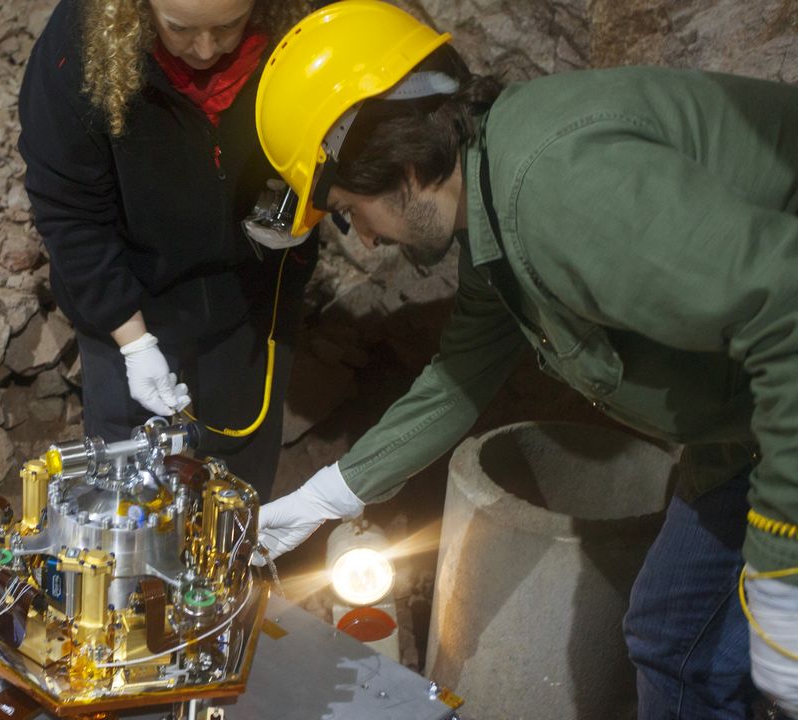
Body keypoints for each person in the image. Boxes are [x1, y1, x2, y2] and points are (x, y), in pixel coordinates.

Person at [250, 1, 798, 717]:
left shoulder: (554, 187)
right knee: (673, 637)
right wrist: (327, 496)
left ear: (402, 163)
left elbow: (785, 309)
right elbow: (459, 375)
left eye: (353, 210)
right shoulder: (490, 202)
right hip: (745, 429)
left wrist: (781, 567)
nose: (370, 240)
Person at [18, 0, 318, 500]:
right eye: (179, 29)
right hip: (130, 295)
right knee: (131, 492)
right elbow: (69, 209)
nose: (205, 50)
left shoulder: (306, 25)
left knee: (236, 491)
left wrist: (310, 207)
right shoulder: (82, 46)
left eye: (229, 27)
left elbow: (354, 135)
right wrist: (133, 342)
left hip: (252, 293)